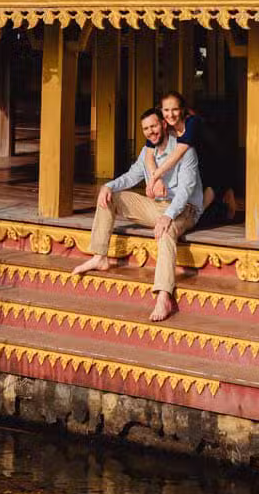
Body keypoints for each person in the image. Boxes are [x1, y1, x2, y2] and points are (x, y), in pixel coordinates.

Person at [72, 106, 202, 321]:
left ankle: (163, 295)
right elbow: (132, 176)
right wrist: (109, 186)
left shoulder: (185, 150)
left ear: (163, 124)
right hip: (157, 207)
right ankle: (100, 256)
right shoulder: (147, 153)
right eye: (145, 129)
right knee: (109, 196)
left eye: (153, 126)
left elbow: (186, 191)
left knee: (166, 231)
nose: (151, 131)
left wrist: (167, 216)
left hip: (183, 209)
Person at [147, 91, 235, 226]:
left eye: (175, 109)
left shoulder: (192, 122)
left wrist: (154, 177)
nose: (170, 114)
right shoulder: (163, 124)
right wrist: (156, 179)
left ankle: (223, 198)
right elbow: (149, 155)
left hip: (213, 163)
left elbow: (178, 153)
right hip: (193, 165)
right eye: (166, 110)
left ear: (182, 109)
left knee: (200, 212)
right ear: (161, 110)